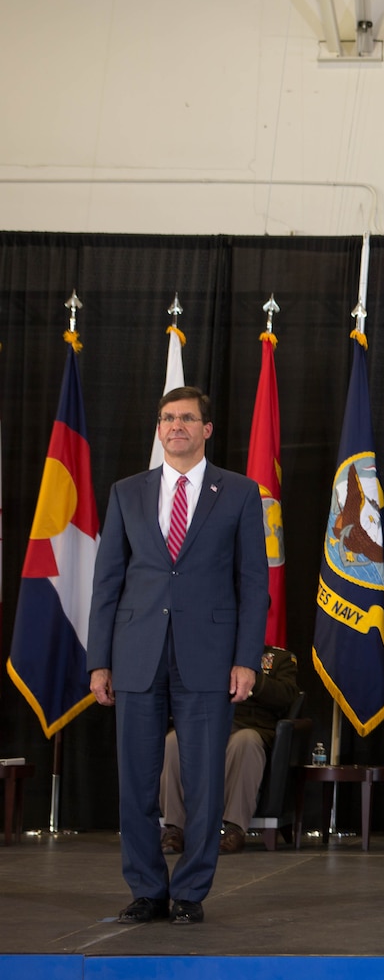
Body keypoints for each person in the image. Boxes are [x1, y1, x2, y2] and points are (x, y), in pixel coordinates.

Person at [88, 386, 270, 926]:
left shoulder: (238, 493)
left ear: (206, 429)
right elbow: (107, 584)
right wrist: (100, 660)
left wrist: (245, 659)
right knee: (136, 782)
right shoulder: (127, 493)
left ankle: (189, 892)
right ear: (158, 428)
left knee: (204, 781)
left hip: (211, 657)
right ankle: (147, 889)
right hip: (136, 652)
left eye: (187, 419)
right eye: (167, 418)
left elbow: (253, 584)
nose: (176, 427)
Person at [160, 646, 299, 855]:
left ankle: (233, 829)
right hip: (207, 726)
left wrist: (252, 679)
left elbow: (288, 695)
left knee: (245, 741)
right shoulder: (208, 653)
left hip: (250, 726)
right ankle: (175, 829)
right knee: (172, 741)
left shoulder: (280, 658)